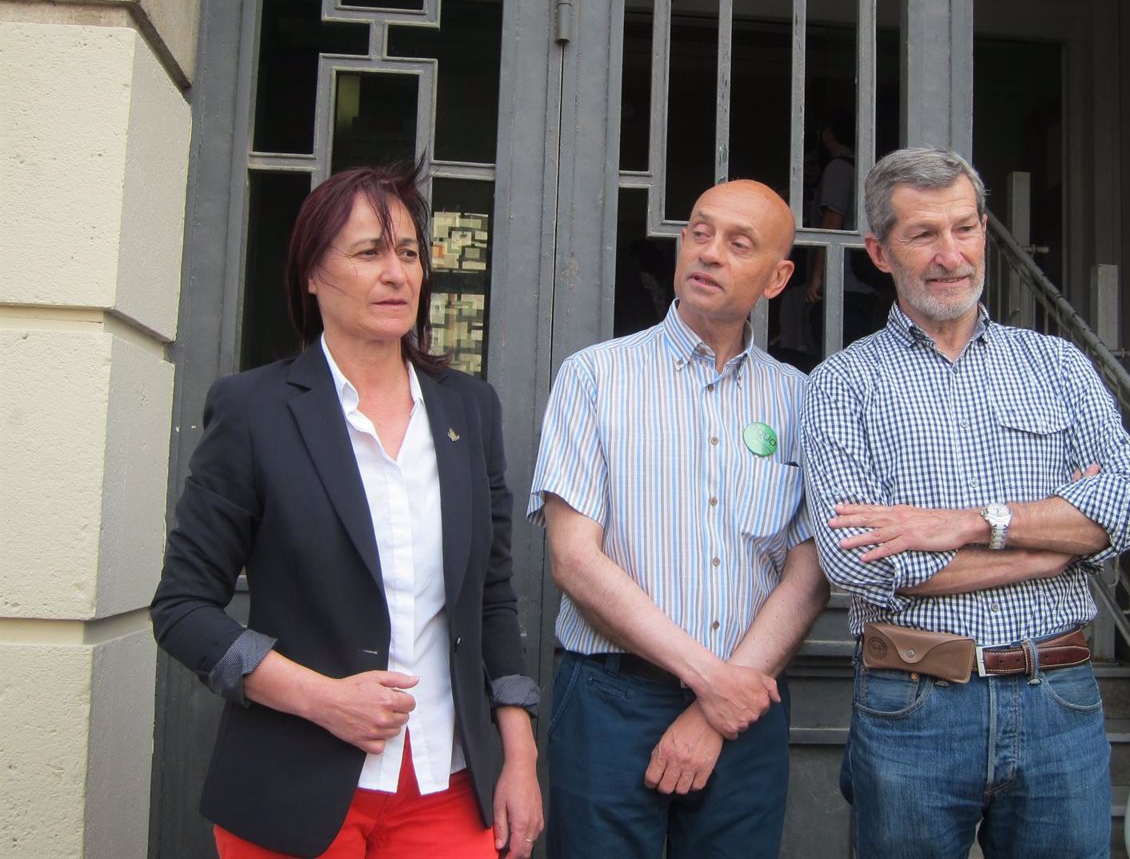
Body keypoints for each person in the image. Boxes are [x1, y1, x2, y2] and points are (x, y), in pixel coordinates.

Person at [151, 161, 543, 859]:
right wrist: (319, 698)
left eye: (410, 253)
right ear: (311, 273)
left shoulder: (468, 410)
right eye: (369, 252)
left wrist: (520, 756)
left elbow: (492, 597)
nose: (396, 274)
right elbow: (183, 608)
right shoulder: (255, 411)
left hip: (449, 785)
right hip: (293, 789)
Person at [801, 148, 1130, 858]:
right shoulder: (842, 385)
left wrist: (967, 525)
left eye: (964, 229)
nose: (951, 255)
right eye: (923, 235)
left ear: (985, 230)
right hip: (914, 703)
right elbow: (860, 568)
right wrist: (1061, 546)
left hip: (1059, 696)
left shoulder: (1057, 365)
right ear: (878, 250)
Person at [529, 179, 830, 859]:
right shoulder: (595, 378)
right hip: (613, 700)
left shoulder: (801, 400)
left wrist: (721, 708)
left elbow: (808, 577)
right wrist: (710, 682)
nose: (710, 252)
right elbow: (574, 559)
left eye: (738, 243)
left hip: (747, 713)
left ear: (779, 277)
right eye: (699, 231)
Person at [802, 111, 891, 345]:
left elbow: (832, 222)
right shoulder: (865, 171)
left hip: (842, 285)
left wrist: (817, 278)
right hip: (863, 285)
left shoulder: (838, 168)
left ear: (828, 135)